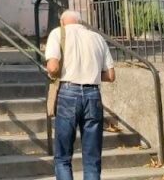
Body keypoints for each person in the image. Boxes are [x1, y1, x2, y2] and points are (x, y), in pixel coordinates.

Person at [44, 10, 116, 180]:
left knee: (63, 156)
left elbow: (53, 67)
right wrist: (89, 73)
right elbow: (111, 75)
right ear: (80, 22)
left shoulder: (57, 33)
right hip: (93, 94)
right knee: (92, 158)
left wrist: (54, 74)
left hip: (68, 93)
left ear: (62, 22)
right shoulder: (97, 37)